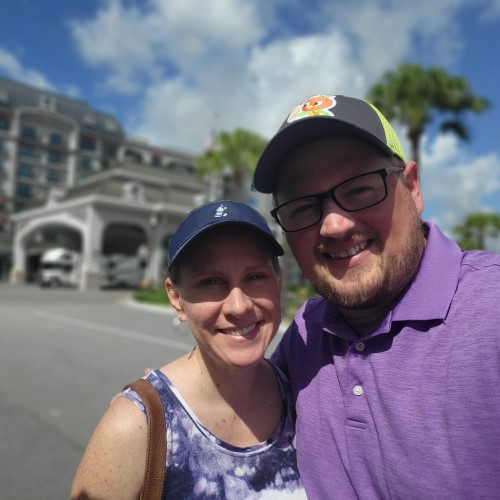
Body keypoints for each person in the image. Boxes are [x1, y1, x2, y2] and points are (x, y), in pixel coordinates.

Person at [252, 94, 500, 499]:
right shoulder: (306, 332)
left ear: (412, 188)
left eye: (360, 189)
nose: (333, 225)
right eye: (301, 207)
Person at [71, 200, 306, 499]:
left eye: (256, 277)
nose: (239, 306)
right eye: (211, 282)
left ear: (278, 281)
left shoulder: (303, 393)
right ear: (176, 299)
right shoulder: (135, 427)